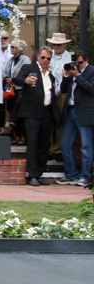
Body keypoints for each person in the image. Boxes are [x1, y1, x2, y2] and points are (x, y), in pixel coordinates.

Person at [14, 47, 58, 185]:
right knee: (33, 142)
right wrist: (26, 81)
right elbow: (17, 80)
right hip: (32, 112)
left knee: (44, 144)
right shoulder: (29, 67)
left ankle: (39, 173)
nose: (45, 60)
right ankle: (32, 175)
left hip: (47, 112)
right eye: (43, 57)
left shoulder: (50, 74)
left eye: (48, 58)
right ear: (38, 57)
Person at [57, 51, 92, 188]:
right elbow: (64, 90)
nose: (78, 66)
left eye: (80, 63)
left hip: (84, 112)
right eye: (76, 63)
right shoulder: (72, 72)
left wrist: (78, 76)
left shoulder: (91, 71)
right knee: (65, 144)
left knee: (86, 146)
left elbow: (91, 88)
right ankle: (71, 175)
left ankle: (85, 177)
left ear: (86, 61)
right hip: (70, 111)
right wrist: (66, 76)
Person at [46, 32, 73, 160]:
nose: (57, 47)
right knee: (49, 119)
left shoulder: (69, 58)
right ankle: (50, 148)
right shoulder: (48, 56)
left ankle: (58, 149)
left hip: (62, 93)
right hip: (49, 91)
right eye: (55, 45)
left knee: (60, 120)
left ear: (64, 45)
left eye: (59, 45)